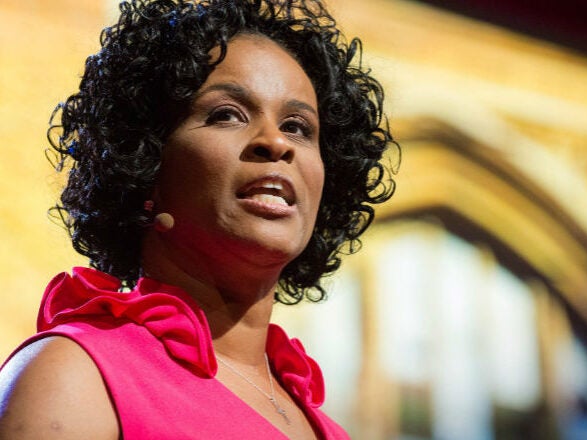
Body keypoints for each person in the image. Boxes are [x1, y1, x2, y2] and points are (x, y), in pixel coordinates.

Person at [0, 0, 397, 438]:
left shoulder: (327, 427)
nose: (276, 143)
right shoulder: (75, 376)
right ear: (146, 165)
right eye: (226, 115)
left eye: (298, 126)